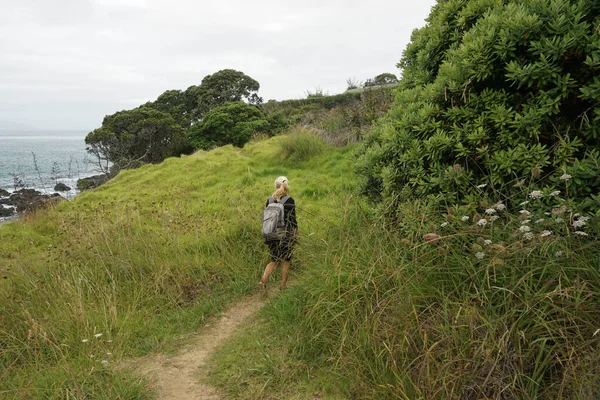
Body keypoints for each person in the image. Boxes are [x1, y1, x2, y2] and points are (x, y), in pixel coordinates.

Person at [259, 176, 298, 291]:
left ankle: (263, 281)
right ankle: (283, 286)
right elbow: (292, 220)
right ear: (286, 186)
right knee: (286, 260)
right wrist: (296, 233)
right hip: (285, 234)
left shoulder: (269, 200)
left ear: (276, 186)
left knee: (274, 260)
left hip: (270, 234)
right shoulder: (289, 200)